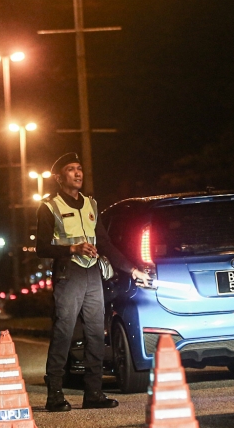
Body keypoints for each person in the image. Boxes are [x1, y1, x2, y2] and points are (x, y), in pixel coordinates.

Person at [35, 153, 151, 412]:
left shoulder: (91, 204)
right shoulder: (49, 207)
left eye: (80, 169)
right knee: (63, 333)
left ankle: (94, 393)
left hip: (92, 276)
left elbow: (106, 244)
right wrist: (72, 248)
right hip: (69, 274)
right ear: (58, 177)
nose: (78, 173)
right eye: (70, 169)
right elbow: (41, 247)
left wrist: (132, 269)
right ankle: (54, 395)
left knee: (96, 334)